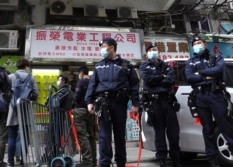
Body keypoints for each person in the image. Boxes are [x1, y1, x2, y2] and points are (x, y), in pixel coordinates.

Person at [185, 35, 233, 167]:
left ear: (205, 44)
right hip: (200, 97)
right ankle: (213, 162)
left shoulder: (216, 57)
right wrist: (208, 76)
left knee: (227, 128)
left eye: (199, 42)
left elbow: (218, 70)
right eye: (195, 43)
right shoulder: (190, 61)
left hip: (216, 95)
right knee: (207, 131)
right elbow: (189, 77)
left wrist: (200, 74)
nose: (197, 45)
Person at [85, 37, 140, 167]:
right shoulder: (99, 66)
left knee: (120, 135)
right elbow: (92, 85)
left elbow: (134, 85)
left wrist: (135, 103)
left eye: (104, 46)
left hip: (119, 103)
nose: (102, 50)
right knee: (104, 135)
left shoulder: (126, 65)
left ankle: (121, 162)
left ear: (112, 47)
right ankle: (105, 163)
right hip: (103, 103)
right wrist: (89, 101)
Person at [139, 42, 182, 167]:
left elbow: (170, 80)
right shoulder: (144, 67)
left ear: (159, 52)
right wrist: (161, 77)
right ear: (147, 54)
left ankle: (176, 159)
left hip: (167, 101)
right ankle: (162, 160)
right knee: (159, 134)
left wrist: (158, 78)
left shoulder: (166, 66)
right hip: (154, 103)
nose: (153, 51)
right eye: (150, 50)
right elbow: (148, 80)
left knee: (174, 133)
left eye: (155, 49)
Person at [7, 58, 38, 167]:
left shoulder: (10, 77)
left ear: (17, 66)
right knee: (24, 137)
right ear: (26, 66)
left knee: (12, 136)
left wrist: (10, 103)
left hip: (13, 110)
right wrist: (30, 103)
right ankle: (23, 161)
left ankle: (10, 162)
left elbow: (5, 93)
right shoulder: (31, 78)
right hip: (25, 110)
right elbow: (35, 94)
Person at [73, 66, 97, 167]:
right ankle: (93, 160)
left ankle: (87, 160)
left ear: (82, 73)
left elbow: (77, 97)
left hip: (80, 110)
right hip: (91, 110)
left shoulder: (81, 82)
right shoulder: (93, 82)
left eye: (79, 73)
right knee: (91, 135)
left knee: (82, 135)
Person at [0, 66, 11, 167]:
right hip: (2, 106)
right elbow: (8, 89)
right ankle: (0, 161)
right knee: (2, 136)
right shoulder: (3, 73)